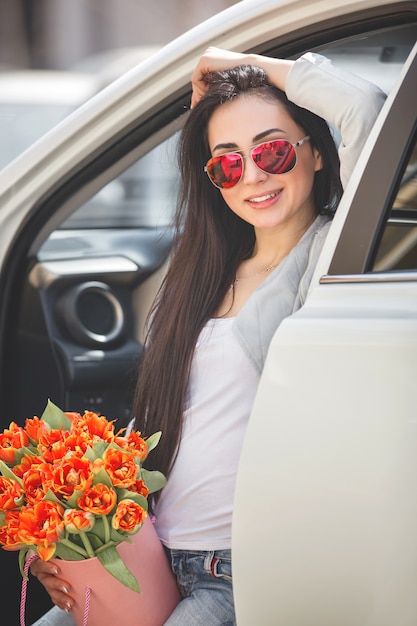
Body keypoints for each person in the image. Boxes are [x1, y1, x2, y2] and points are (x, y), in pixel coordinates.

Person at [29, 47, 385, 625]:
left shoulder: (323, 260)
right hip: (150, 551)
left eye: (271, 149)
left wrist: (240, 62)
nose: (255, 176)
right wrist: (81, 541)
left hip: (235, 573)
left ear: (316, 153)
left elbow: (367, 110)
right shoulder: (203, 271)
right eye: (228, 163)